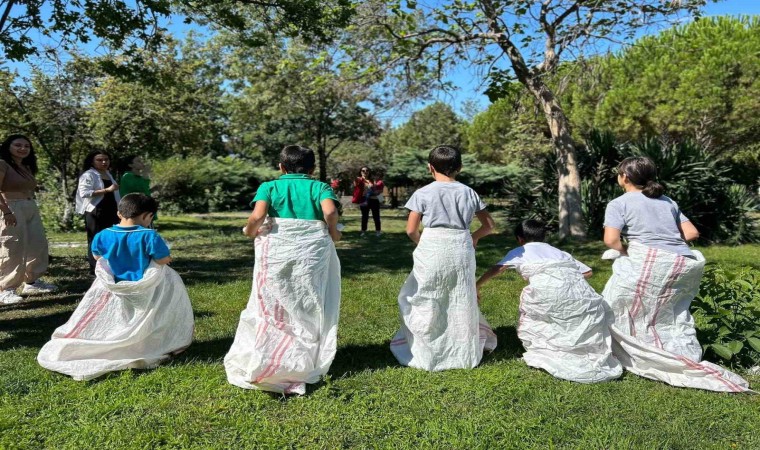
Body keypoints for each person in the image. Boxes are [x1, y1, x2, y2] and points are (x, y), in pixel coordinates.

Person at [601, 156, 749, 392]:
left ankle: (628, 351)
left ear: (624, 177)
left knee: (614, 305)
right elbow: (691, 233)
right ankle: (668, 348)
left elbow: (611, 240)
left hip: (651, 261)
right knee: (667, 311)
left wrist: (628, 250)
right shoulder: (668, 201)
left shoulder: (619, 203)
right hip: (683, 263)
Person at [225, 145, 342, 395]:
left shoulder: (269, 187)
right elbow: (330, 211)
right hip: (311, 251)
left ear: (281, 166)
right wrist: (334, 232)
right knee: (308, 297)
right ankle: (305, 352)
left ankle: (272, 350)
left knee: (273, 298)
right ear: (312, 169)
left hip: (278, 249)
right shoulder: (320, 187)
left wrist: (249, 231)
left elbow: (258, 216)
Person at [37, 193, 193, 380]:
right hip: (144, 287)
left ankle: (119, 338)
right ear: (147, 216)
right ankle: (144, 341)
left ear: (119, 214)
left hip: (114, 286)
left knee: (121, 315)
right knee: (147, 314)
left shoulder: (103, 235)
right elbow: (161, 259)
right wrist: (167, 259)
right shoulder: (149, 236)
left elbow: (97, 257)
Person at [390, 145, 497, 371]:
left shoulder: (423, 193)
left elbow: (411, 230)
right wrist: (474, 237)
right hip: (461, 246)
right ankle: (461, 348)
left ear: (430, 167)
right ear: (460, 167)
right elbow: (489, 226)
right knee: (460, 295)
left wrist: (424, 244)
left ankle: (429, 346)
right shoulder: (469, 192)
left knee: (426, 294)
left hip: (433, 245)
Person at [476, 219, 622, 383]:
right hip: (578, 291)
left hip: (547, 290)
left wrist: (477, 285)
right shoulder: (558, 251)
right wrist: (565, 278)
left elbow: (499, 268)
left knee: (542, 318)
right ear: (544, 237)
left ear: (519, 238)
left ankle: (549, 350)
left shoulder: (520, 251)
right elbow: (588, 272)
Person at [0, 135, 57, 304]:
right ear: (8, 146)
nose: (23, 148)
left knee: (37, 244)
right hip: (10, 207)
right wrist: (7, 211)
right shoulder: (2, 164)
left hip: (29, 205)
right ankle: (5, 288)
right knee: (13, 246)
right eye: (17, 145)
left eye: (26, 146)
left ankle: (31, 282)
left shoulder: (25, 166)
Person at [76, 150, 120, 274]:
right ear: (92, 161)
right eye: (99, 160)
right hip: (96, 211)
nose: (104, 162)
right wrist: (106, 190)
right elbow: (84, 193)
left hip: (112, 209)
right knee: (96, 239)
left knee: (111, 237)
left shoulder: (108, 174)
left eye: (106, 159)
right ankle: (94, 267)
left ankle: (109, 265)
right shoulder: (88, 175)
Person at [352, 167, 383, 236]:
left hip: (374, 200)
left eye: (367, 170)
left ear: (369, 172)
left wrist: (378, 194)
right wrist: (361, 179)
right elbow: (355, 185)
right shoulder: (358, 180)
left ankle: (378, 231)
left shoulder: (373, 180)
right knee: (364, 216)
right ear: (361, 172)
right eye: (363, 170)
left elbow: (377, 189)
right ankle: (363, 231)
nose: (365, 172)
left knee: (376, 216)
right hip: (364, 200)